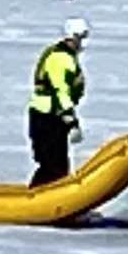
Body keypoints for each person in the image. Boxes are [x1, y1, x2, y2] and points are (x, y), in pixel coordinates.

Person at [29, 17, 89, 187]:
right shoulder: (61, 59)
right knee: (52, 165)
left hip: (52, 115)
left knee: (57, 164)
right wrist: (70, 118)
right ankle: (37, 203)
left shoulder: (65, 57)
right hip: (47, 116)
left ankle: (45, 199)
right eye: (82, 37)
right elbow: (60, 90)